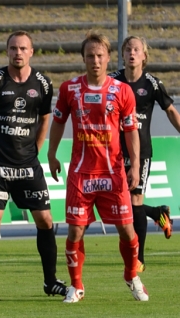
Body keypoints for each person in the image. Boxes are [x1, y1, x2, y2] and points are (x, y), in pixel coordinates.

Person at [48, 32, 146, 303]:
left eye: (100, 55)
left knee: (127, 230)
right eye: (90, 55)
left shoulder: (122, 90)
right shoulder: (70, 89)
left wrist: (135, 164)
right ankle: (76, 285)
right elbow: (57, 122)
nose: (95, 60)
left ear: (108, 58)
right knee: (75, 231)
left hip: (113, 173)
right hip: (81, 174)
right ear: (83, 58)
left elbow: (131, 131)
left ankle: (131, 275)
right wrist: (52, 153)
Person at [0, 31, 65, 299]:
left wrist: (38, 148)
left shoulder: (44, 85)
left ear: (31, 52)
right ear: (7, 51)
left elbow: (46, 117)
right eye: (13, 48)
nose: (18, 53)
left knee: (45, 219)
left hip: (28, 163)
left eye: (23, 48)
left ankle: (50, 281)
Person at [110, 35, 179, 267]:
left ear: (144, 56)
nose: (132, 53)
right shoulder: (112, 82)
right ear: (122, 55)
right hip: (115, 152)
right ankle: (157, 212)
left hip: (142, 152)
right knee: (121, 203)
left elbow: (170, 110)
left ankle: (138, 259)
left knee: (134, 199)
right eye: (128, 49)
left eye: (136, 50)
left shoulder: (152, 84)